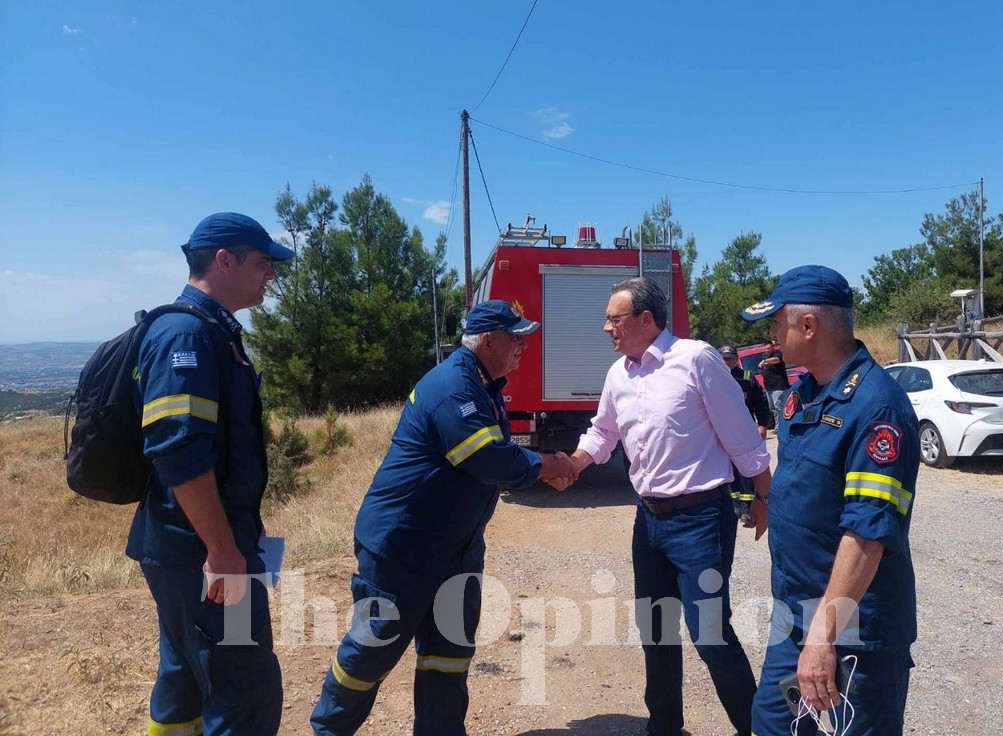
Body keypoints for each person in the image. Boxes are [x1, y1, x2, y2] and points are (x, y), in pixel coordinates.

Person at [310, 301, 577, 736]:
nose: (523, 347)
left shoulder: (482, 384)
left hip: (455, 550)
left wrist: (539, 467)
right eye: (516, 338)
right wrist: (546, 465)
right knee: (369, 653)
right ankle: (328, 730)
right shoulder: (454, 387)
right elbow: (487, 458)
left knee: (448, 658)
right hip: (403, 549)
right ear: (487, 340)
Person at [569, 277, 771, 736]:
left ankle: (757, 728)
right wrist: (572, 465)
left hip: (701, 519)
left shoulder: (696, 359)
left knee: (710, 634)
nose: (606, 328)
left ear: (645, 319)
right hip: (649, 521)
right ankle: (664, 727)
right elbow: (603, 433)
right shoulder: (619, 374)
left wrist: (762, 496)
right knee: (656, 630)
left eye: (613, 319)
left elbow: (742, 435)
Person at [126, 212, 294, 735]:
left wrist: (242, 527)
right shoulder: (188, 335)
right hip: (202, 552)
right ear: (224, 261)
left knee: (184, 682)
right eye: (262, 262)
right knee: (244, 693)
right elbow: (179, 452)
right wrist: (222, 549)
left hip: (187, 547)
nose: (271, 274)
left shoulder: (210, 331)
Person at [741, 265, 919, 736]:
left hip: (851, 624)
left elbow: (868, 533)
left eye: (775, 323)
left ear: (808, 325)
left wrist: (824, 635)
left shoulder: (877, 407)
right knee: (771, 725)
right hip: (794, 614)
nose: (770, 336)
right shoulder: (804, 395)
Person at [719, 344, 772, 528]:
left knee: (747, 470)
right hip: (724, 432)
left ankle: (747, 508)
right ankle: (735, 505)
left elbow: (761, 402)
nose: (727, 362)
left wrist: (762, 424)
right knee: (730, 470)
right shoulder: (715, 377)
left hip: (745, 431)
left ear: (736, 359)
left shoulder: (747, 377)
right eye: (724, 359)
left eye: (730, 358)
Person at [759, 338, 790, 426]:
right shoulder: (765, 356)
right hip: (769, 387)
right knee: (772, 408)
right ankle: (778, 426)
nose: (767, 350)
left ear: (773, 347)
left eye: (768, 348)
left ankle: (782, 426)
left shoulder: (778, 354)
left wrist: (765, 361)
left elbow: (777, 360)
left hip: (778, 386)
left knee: (779, 407)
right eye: (765, 349)